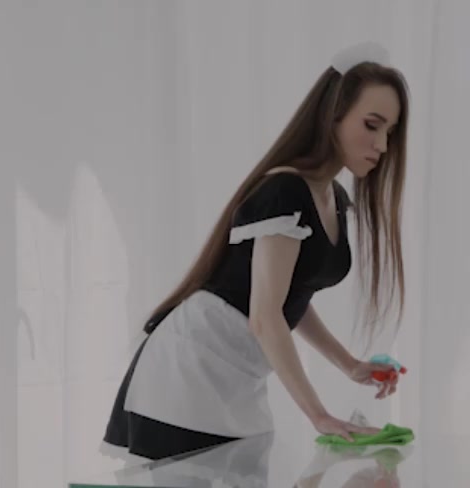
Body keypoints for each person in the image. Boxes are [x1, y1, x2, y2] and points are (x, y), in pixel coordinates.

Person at [101, 41, 411, 462]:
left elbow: (290, 298)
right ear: (332, 115)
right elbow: (266, 316)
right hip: (191, 368)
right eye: (372, 125)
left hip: (237, 376)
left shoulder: (333, 198)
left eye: (390, 132)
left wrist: (350, 365)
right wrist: (319, 415)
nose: (382, 145)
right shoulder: (285, 191)